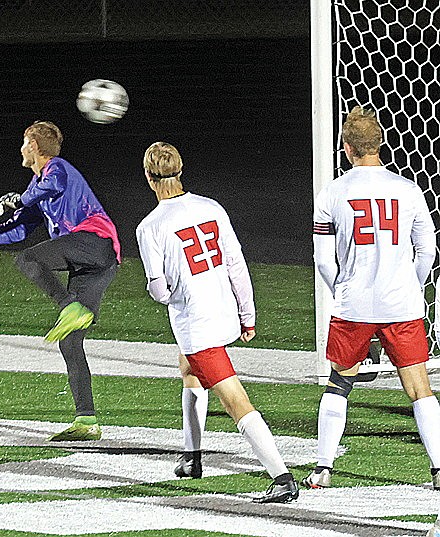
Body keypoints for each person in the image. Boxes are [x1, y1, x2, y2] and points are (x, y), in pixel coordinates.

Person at [0, 120, 122, 442]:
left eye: (24, 143)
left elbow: (46, 188)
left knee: (29, 259)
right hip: (97, 264)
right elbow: (15, 230)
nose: (21, 149)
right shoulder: (38, 189)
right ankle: (86, 420)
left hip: (95, 243)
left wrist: (22, 199)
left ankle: (69, 305)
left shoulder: (57, 169)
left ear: (34, 146)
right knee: (70, 342)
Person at [135, 141, 298, 503]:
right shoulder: (211, 208)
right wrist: (247, 313)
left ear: (149, 177)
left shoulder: (150, 227)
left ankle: (281, 476)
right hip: (225, 311)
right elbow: (236, 264)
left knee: (235, 401)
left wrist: (170, 288)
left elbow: (160, 291)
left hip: (197, 323)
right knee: (189, 372)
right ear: (181, 170)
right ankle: (191, 458)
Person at [306, 106, 440, 490]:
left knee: (338, 384)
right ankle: (438, 469)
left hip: (354, 305)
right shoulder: (408, 190)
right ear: (380, 145)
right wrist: (409, 285)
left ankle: (323, 469)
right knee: (419, 388)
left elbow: (323, 260)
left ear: (346, 147)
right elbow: (427, 250)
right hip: (403, 304)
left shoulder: (332, 192)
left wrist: (342, 292)